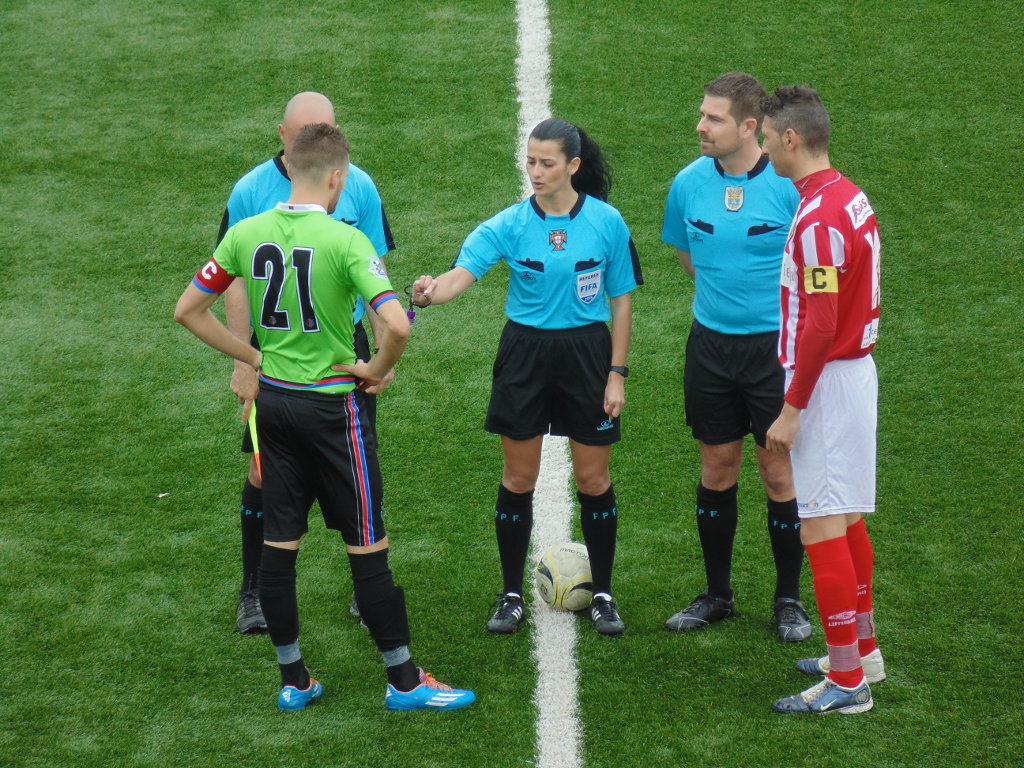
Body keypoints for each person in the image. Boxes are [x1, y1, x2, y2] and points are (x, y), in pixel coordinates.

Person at [175, 123, 475, 712]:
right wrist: (377, 368)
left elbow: (188, 309)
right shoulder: (346, 240)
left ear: (289, 167)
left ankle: (294, 680)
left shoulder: (246, 232)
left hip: (274, 404)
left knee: (279, 544)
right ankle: (405, 682)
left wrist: (253, 358)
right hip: (334, 409)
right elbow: (397, 324)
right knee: (367, 542)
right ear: (337, 178)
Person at [411, 118, 642, 636]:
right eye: (531, 161)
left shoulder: (607, 222)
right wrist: (428, 292)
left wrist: (616, 375)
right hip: (524, 355)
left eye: (547, 163)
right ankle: (511, 594)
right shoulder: (510, 224)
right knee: (518, 479)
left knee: (593, 479)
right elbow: (459, 276)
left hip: (587, 355)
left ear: (573, 166)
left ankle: (603, 593)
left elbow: (621, 303)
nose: (535, 172)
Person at [220, 92, 395, 634]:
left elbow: (374, 271)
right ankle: (253, 589)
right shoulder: (250, 191)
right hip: (276, 352)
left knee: (360, 467)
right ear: (282, 136)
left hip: (343, 349)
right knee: (262, 470)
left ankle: (367, 589)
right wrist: (244, 360)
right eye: (305, 133)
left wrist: (380, 352)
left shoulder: (358, 184)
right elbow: (233, 281)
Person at [660, 72, 809, 641]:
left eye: (713, 118)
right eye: (702, 114)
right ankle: (717, 594)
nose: (700, 126)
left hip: (774, 352)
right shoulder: (687, 184)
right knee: (717, 467)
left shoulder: (790, 188)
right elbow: (687, 255)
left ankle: (789, 599)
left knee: (777, 471)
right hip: (711, 348)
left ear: (750, 126)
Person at [760, 86, 883, 714]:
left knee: (821, 525)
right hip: (852, 375)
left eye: (766, 138)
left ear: (789, 138)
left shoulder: (817, 220)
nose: (763, 150)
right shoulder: (846, 195)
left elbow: (820, 324)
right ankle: (863, 653)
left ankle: (847, 683)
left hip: (828, 385)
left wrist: (791, 409)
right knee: (849, 518)